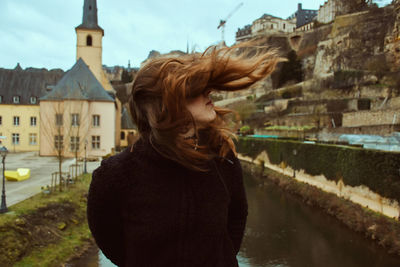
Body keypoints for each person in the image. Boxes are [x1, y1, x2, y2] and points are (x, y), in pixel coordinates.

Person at [87, 42, 280, 267]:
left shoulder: (222, 159)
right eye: (194, 89)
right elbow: (110, 240)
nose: (208, 92)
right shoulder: (115, 175)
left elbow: (236, 220)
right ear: (165, 106)